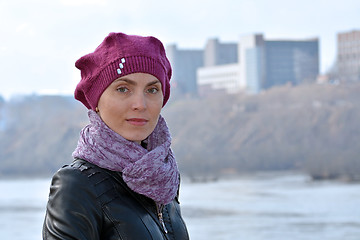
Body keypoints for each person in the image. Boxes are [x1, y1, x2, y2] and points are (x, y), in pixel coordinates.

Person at [42, 32, 189, 240]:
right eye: (123, 89)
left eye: (152, 90)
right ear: (97, 102)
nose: (140, 104)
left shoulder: (164, 177)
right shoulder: (77, 184)